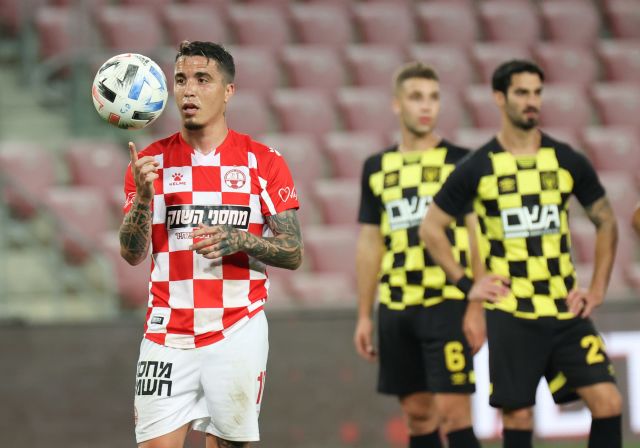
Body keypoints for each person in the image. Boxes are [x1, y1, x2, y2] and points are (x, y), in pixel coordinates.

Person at [420, 59, 623, 448]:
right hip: (511, 313)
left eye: (537, 92)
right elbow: (431, 228)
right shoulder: (478, 167)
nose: (532, 101)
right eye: (521, 92)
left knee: (608, 401)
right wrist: (467, 284)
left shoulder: (566, 160)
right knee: (518, 414)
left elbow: (607, 221)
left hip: (565, 309)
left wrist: (597, 289)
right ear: (499, 97)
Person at [119, 41, 303, 448]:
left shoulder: (262, 161)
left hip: (237, 329)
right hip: (167, 334)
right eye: (181, 80)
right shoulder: (150, 163)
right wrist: (144, 199)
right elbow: (131, 254)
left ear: (228, 91)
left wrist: (238, 238)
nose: (189, 90)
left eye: (203, 79)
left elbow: (293, 251)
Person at [354, 62, 482, 448]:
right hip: (396, 306)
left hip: (449, 301)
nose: (426, 106)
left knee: (455, 413)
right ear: (397, 104)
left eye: (433, 97)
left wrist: (476, 304)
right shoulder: (376, 167)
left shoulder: (463, 161)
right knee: (418, 416)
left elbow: (479, 235)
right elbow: (370, 242)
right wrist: (365, 314)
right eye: (416, 97)